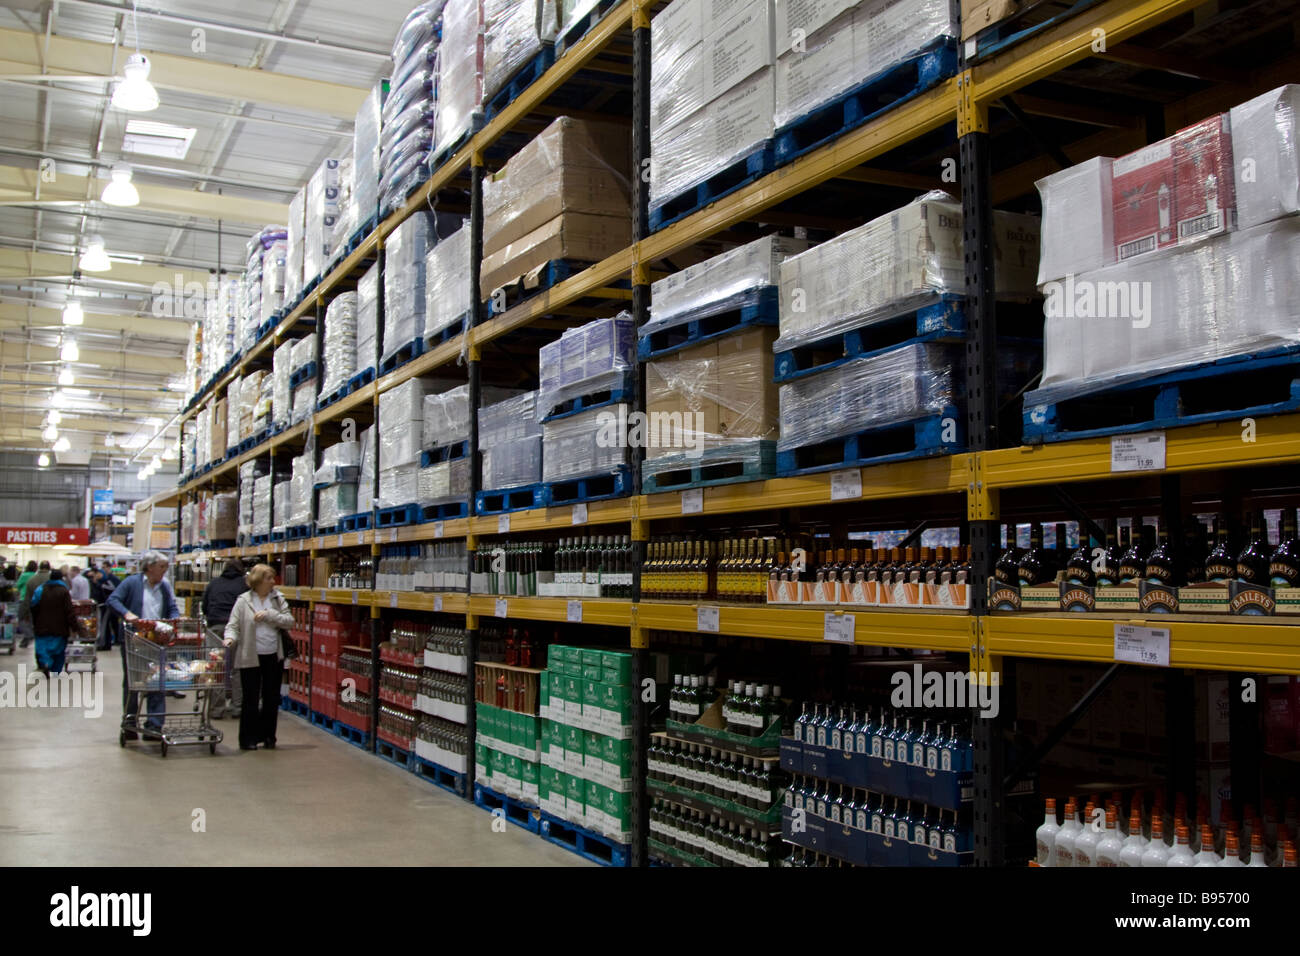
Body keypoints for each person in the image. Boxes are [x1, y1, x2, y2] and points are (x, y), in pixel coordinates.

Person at [108, 551, 180, 739]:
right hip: (135, 641)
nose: (165, 570)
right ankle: (130, 722)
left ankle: (154, 725)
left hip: (157, 641)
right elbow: (113, 600)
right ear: (149, 567)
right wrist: (127, 614)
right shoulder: (132, 583)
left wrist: (173, 619)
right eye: (162, 566)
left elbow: (172, 606)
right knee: (134, 682)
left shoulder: (164, 586)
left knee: (157, 680)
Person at [222, 564, 294, 750]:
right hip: (250, 656)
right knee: (250, 699)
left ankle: (269, 736)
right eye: (269, 578)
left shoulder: (277, 599)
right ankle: (248, 739)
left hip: (273, 655)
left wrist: (270, 615)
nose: (273, 581)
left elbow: (290, 622)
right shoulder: (243, 601)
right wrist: (230, 639)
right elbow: (233, 624)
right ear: (258, 580)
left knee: (271, 698)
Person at [201, 558, 248, 719]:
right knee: (237, 669)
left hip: (215, 628)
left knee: (216, 669)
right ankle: (238, 707)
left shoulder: (213, 583)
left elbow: (204, 606)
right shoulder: (244, 584)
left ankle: (216, 709)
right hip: (236, 630)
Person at [30, 569, 87, 677]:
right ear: (61, 578)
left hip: (42, 626)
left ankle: (46, 663)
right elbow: (69, 611)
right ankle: (56, 670)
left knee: (43, 647)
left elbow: (33, 606)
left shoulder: (40, 589)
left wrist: (35, 620)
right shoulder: (64, 591)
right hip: (60, 627)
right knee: (58, 650)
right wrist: (75, 626)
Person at [18, 561, 51, 649]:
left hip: (35, 606)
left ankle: (30, 636)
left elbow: (27, 597)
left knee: (32, 623)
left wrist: (24, 611)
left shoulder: (32, 580)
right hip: (51, 608)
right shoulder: (53, 579)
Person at [87, 565, 122, 649]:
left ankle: (105, 643)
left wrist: (99, 584)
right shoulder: (99, 582)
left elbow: (112, 588)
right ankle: (104, 643)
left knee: (105, 625)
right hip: (102, 605)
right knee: (103, 625)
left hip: (105, 605)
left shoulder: (106, 581)